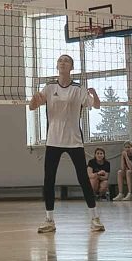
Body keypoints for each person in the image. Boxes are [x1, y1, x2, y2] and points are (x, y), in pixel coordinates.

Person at [29, 55, 104, 234]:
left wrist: (94, 94)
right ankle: (49, 220)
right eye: (60, 61)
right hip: (53, 140)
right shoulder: (49, 87)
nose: (62, 63)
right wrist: (34, 98)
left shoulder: (78, 89)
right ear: (57, 66)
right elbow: (32, 107)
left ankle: (95, 218)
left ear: (71, 67)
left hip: (74, 140)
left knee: (83, 178)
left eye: (66, 61)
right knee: (49, 179)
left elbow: (96, 105)